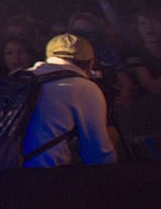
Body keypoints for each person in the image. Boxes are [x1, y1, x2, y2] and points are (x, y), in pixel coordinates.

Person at [22, 35, 117, 168]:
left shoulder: (20, 77)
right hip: (44, 171)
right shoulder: (84, 88)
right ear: (90, 64)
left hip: (0, 168)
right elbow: (96, 152)